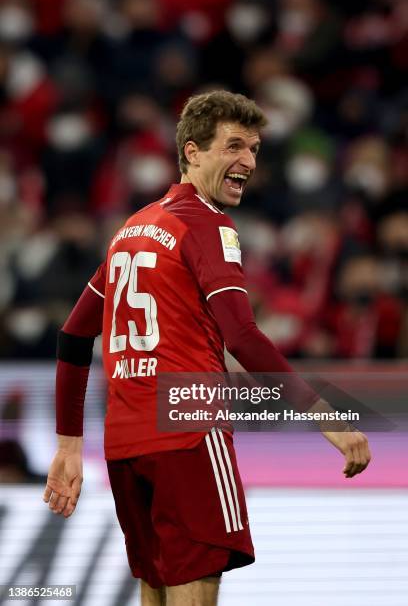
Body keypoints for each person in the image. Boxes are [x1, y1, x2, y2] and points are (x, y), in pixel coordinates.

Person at [43, 90, 371, 606]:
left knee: (156, 590)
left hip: (125, 447)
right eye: (234, 145)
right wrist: (325, 414)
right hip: (189, 435)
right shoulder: (208, 225)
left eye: (256, 148)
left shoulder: (132, 230)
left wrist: (67, 444)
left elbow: (73, 334)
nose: (248, 160)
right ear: (192, 152)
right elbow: (242, 336)